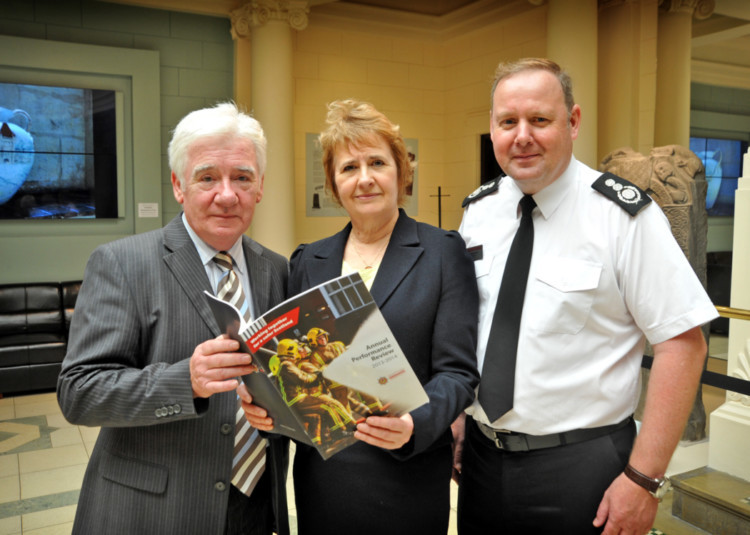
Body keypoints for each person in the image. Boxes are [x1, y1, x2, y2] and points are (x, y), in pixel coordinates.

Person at [454, 57, 719, 534]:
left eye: (539, 120)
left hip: (582, 468)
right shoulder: (479, 212)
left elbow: (683, 343)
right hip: (480, 460)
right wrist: (457, 418)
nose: (522, 136)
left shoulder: (622, 217)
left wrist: (643, 479)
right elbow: (471, 326)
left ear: (572, 122)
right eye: (507, 122)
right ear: (492, 128)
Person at [241, 99, 480, 534]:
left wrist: (414, 425)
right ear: (334, 184)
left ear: (401, 173)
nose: (364, 179)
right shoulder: (308, 260)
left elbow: (458, 373)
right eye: (349, 168)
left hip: (407, 471)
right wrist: (269, 412)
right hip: (325, 478)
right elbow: (295, 370)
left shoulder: (443, 253)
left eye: (377, 163)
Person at [57, 102, 290, 535]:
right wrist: (188, 381)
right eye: (207, 177)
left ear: (260, 188)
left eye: (242, 177)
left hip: (255, 508)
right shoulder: (122, 263)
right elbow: (79, 392)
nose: (226, 194)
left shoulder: (276, 270)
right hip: (155, 512)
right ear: (178, 185)